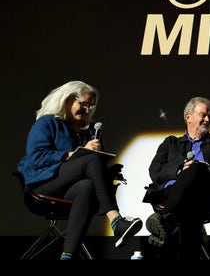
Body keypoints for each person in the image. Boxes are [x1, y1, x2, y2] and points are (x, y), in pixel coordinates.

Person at [17, 80, 142, 260]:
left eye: (91, 106)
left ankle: (68, 255)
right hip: (43, 184)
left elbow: (91, 171)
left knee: (87, 186)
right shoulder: (47, 123)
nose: (88, 110)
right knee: (89, 158)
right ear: (67, 100)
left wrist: (107, 169)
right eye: (84, 104)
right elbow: (36, 157)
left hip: (72, 188)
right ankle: (115, 220)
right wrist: (72, 154)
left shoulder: (89, 132)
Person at [143, 96, 210, 260]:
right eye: (203, 115)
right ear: (188, 117)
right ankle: (169, 221)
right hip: (170, 193)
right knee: (190, 208)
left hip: (205, 196)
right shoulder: (171, 143)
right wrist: (179, 168)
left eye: (209, 116)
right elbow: (155, 170)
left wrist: (206, 168)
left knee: (196, 172)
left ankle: (166, 218)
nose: (207, 119)